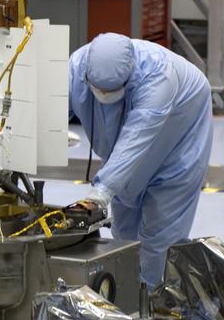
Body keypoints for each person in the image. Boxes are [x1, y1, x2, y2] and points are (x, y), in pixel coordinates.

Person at [70, 33, 213, 287]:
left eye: (111, 91)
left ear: (129, 75)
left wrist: (100, 192)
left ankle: (154, 302)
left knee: (161, 233)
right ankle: (126, 296)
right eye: (98, 89)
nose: (102, 94)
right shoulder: (78, 66)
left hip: (181, 133)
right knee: (124, 230)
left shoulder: (159, 78)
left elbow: (135, 140)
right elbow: (54, 103)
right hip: (126, 150)